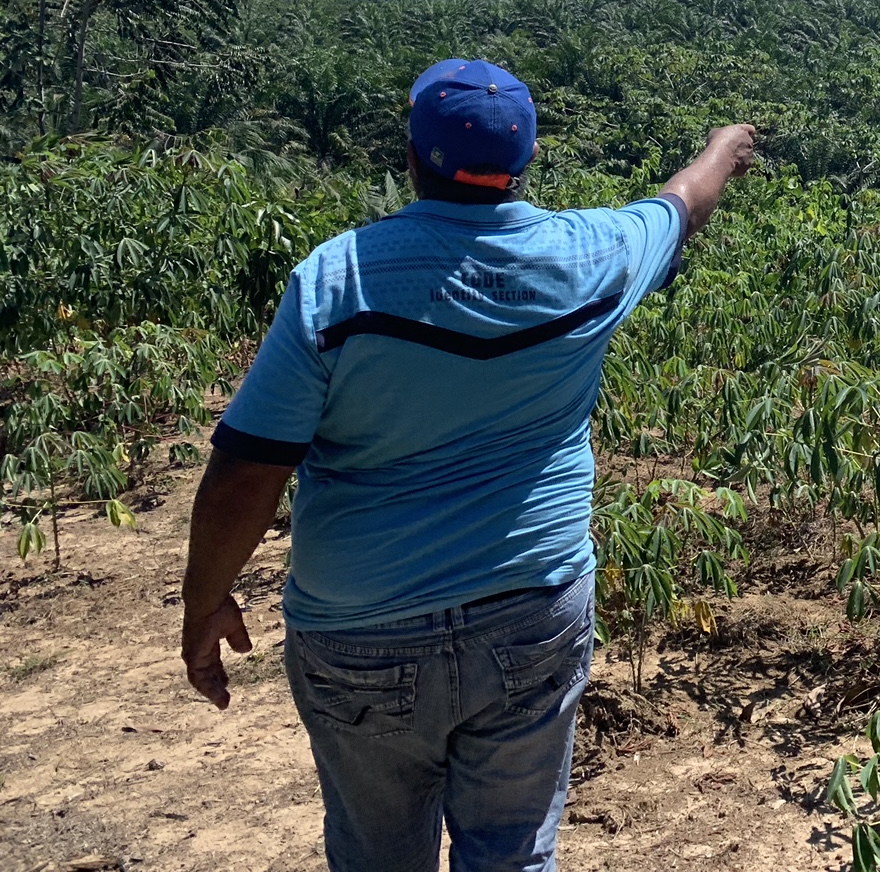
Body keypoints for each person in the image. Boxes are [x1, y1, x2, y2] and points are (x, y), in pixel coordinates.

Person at [178, 58, 756, 872]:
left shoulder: (337, 279)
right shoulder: (592, 256)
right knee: (512, 854)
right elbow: (682, 202)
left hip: (362, 629)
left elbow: (248, 470)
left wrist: (203, 601)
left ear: (411, 158)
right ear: (524, 163)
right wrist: (725, 146)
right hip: (532, 605)